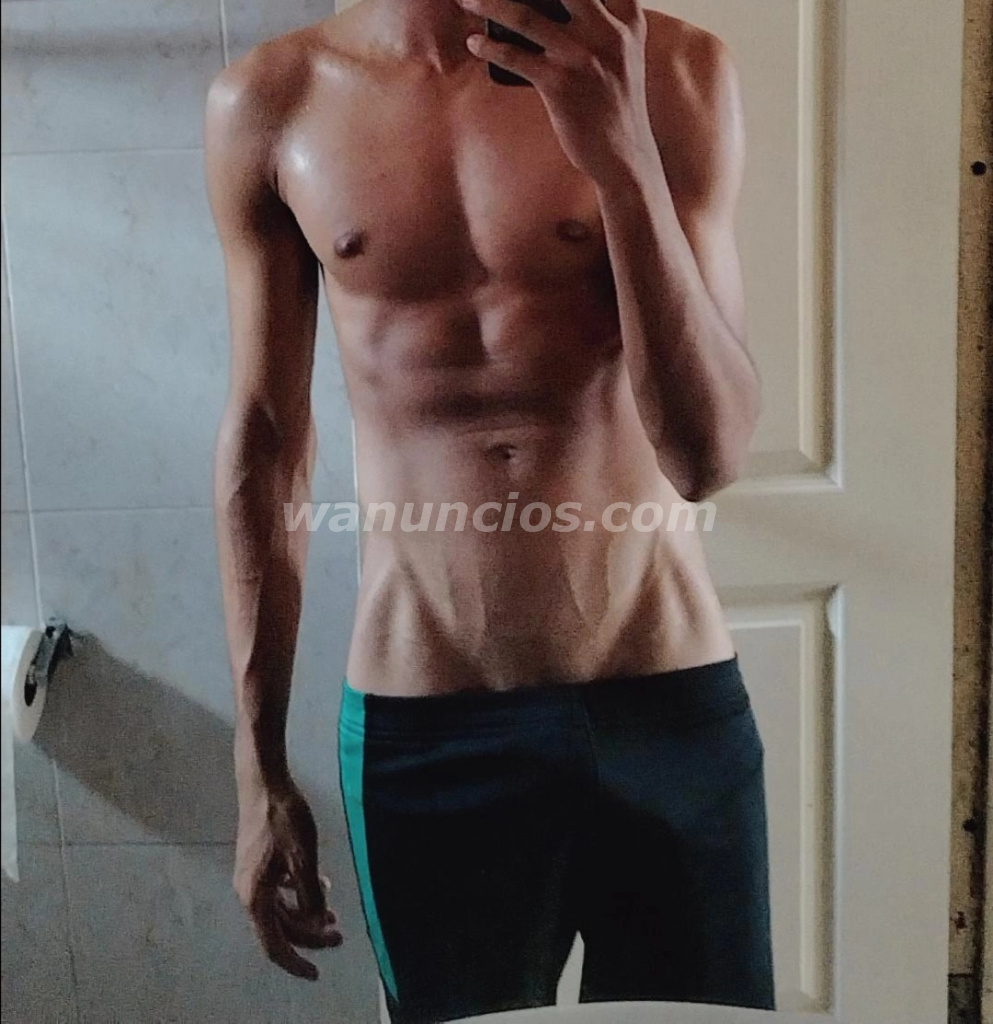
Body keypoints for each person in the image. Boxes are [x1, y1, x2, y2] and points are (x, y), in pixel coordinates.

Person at [205, 0, 771, 1020]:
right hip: (427, 723)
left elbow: (708, 454)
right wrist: (258, 762)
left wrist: (622, 157)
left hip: (665, 704)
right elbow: (265, 445)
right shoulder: (273, 101)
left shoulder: (669, 71)